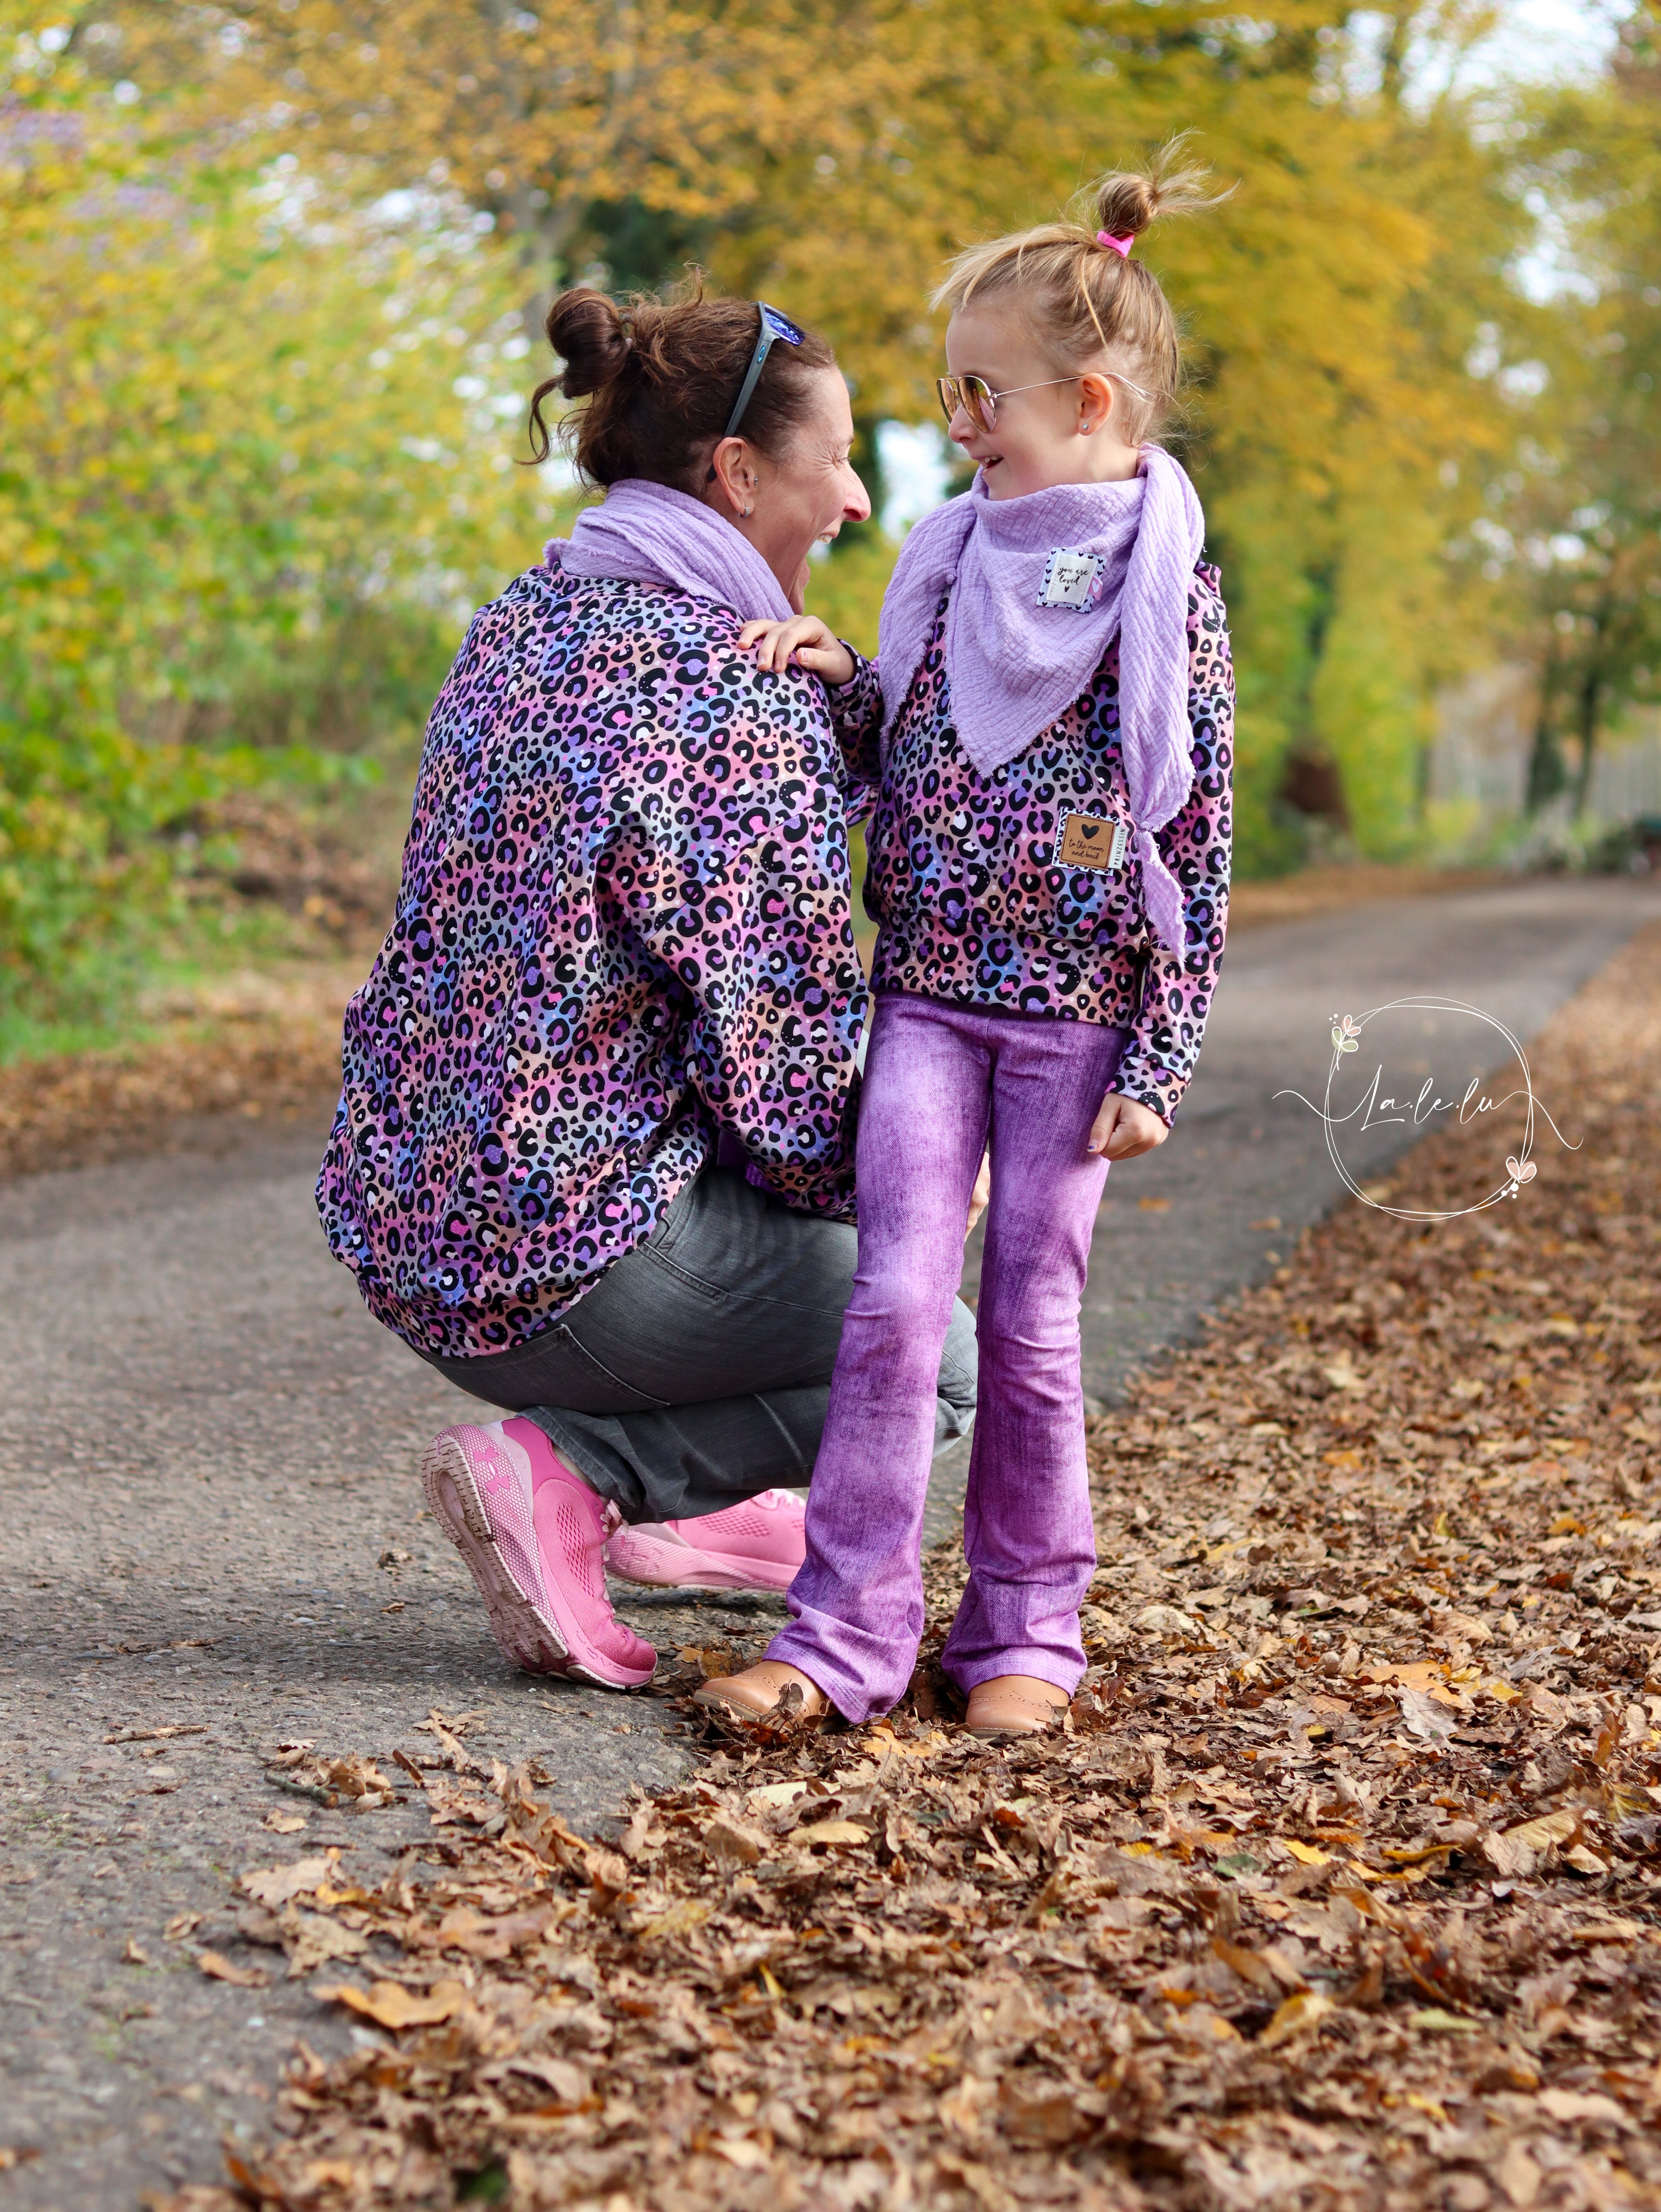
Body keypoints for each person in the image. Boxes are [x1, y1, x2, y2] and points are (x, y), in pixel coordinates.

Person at [315, 283, 978, 1692]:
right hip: (571, 1263)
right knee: (938, 1353)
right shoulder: (726, 695)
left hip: (406, 1230)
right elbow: (790, 1083)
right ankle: (577, 1474)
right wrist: (921, 1168)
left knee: (813, 1245)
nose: (858, 498)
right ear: (737, 474)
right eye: (838, 459)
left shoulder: (522, 623)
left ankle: (704, 1522)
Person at [702, 149, 1235, 1738]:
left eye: (982, 394)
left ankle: (1023, 1636)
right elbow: (907, 747)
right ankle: (844, 1638)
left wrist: (1165, 1053)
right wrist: (838, 676)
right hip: (926, 1002)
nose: (955, 425)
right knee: (889, 1310)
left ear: (1084, 399)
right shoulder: (946, 561)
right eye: (950, 390)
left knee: (1035, 1328)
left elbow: (1193, 837)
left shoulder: (1162, 587)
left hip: (1078, 1030)